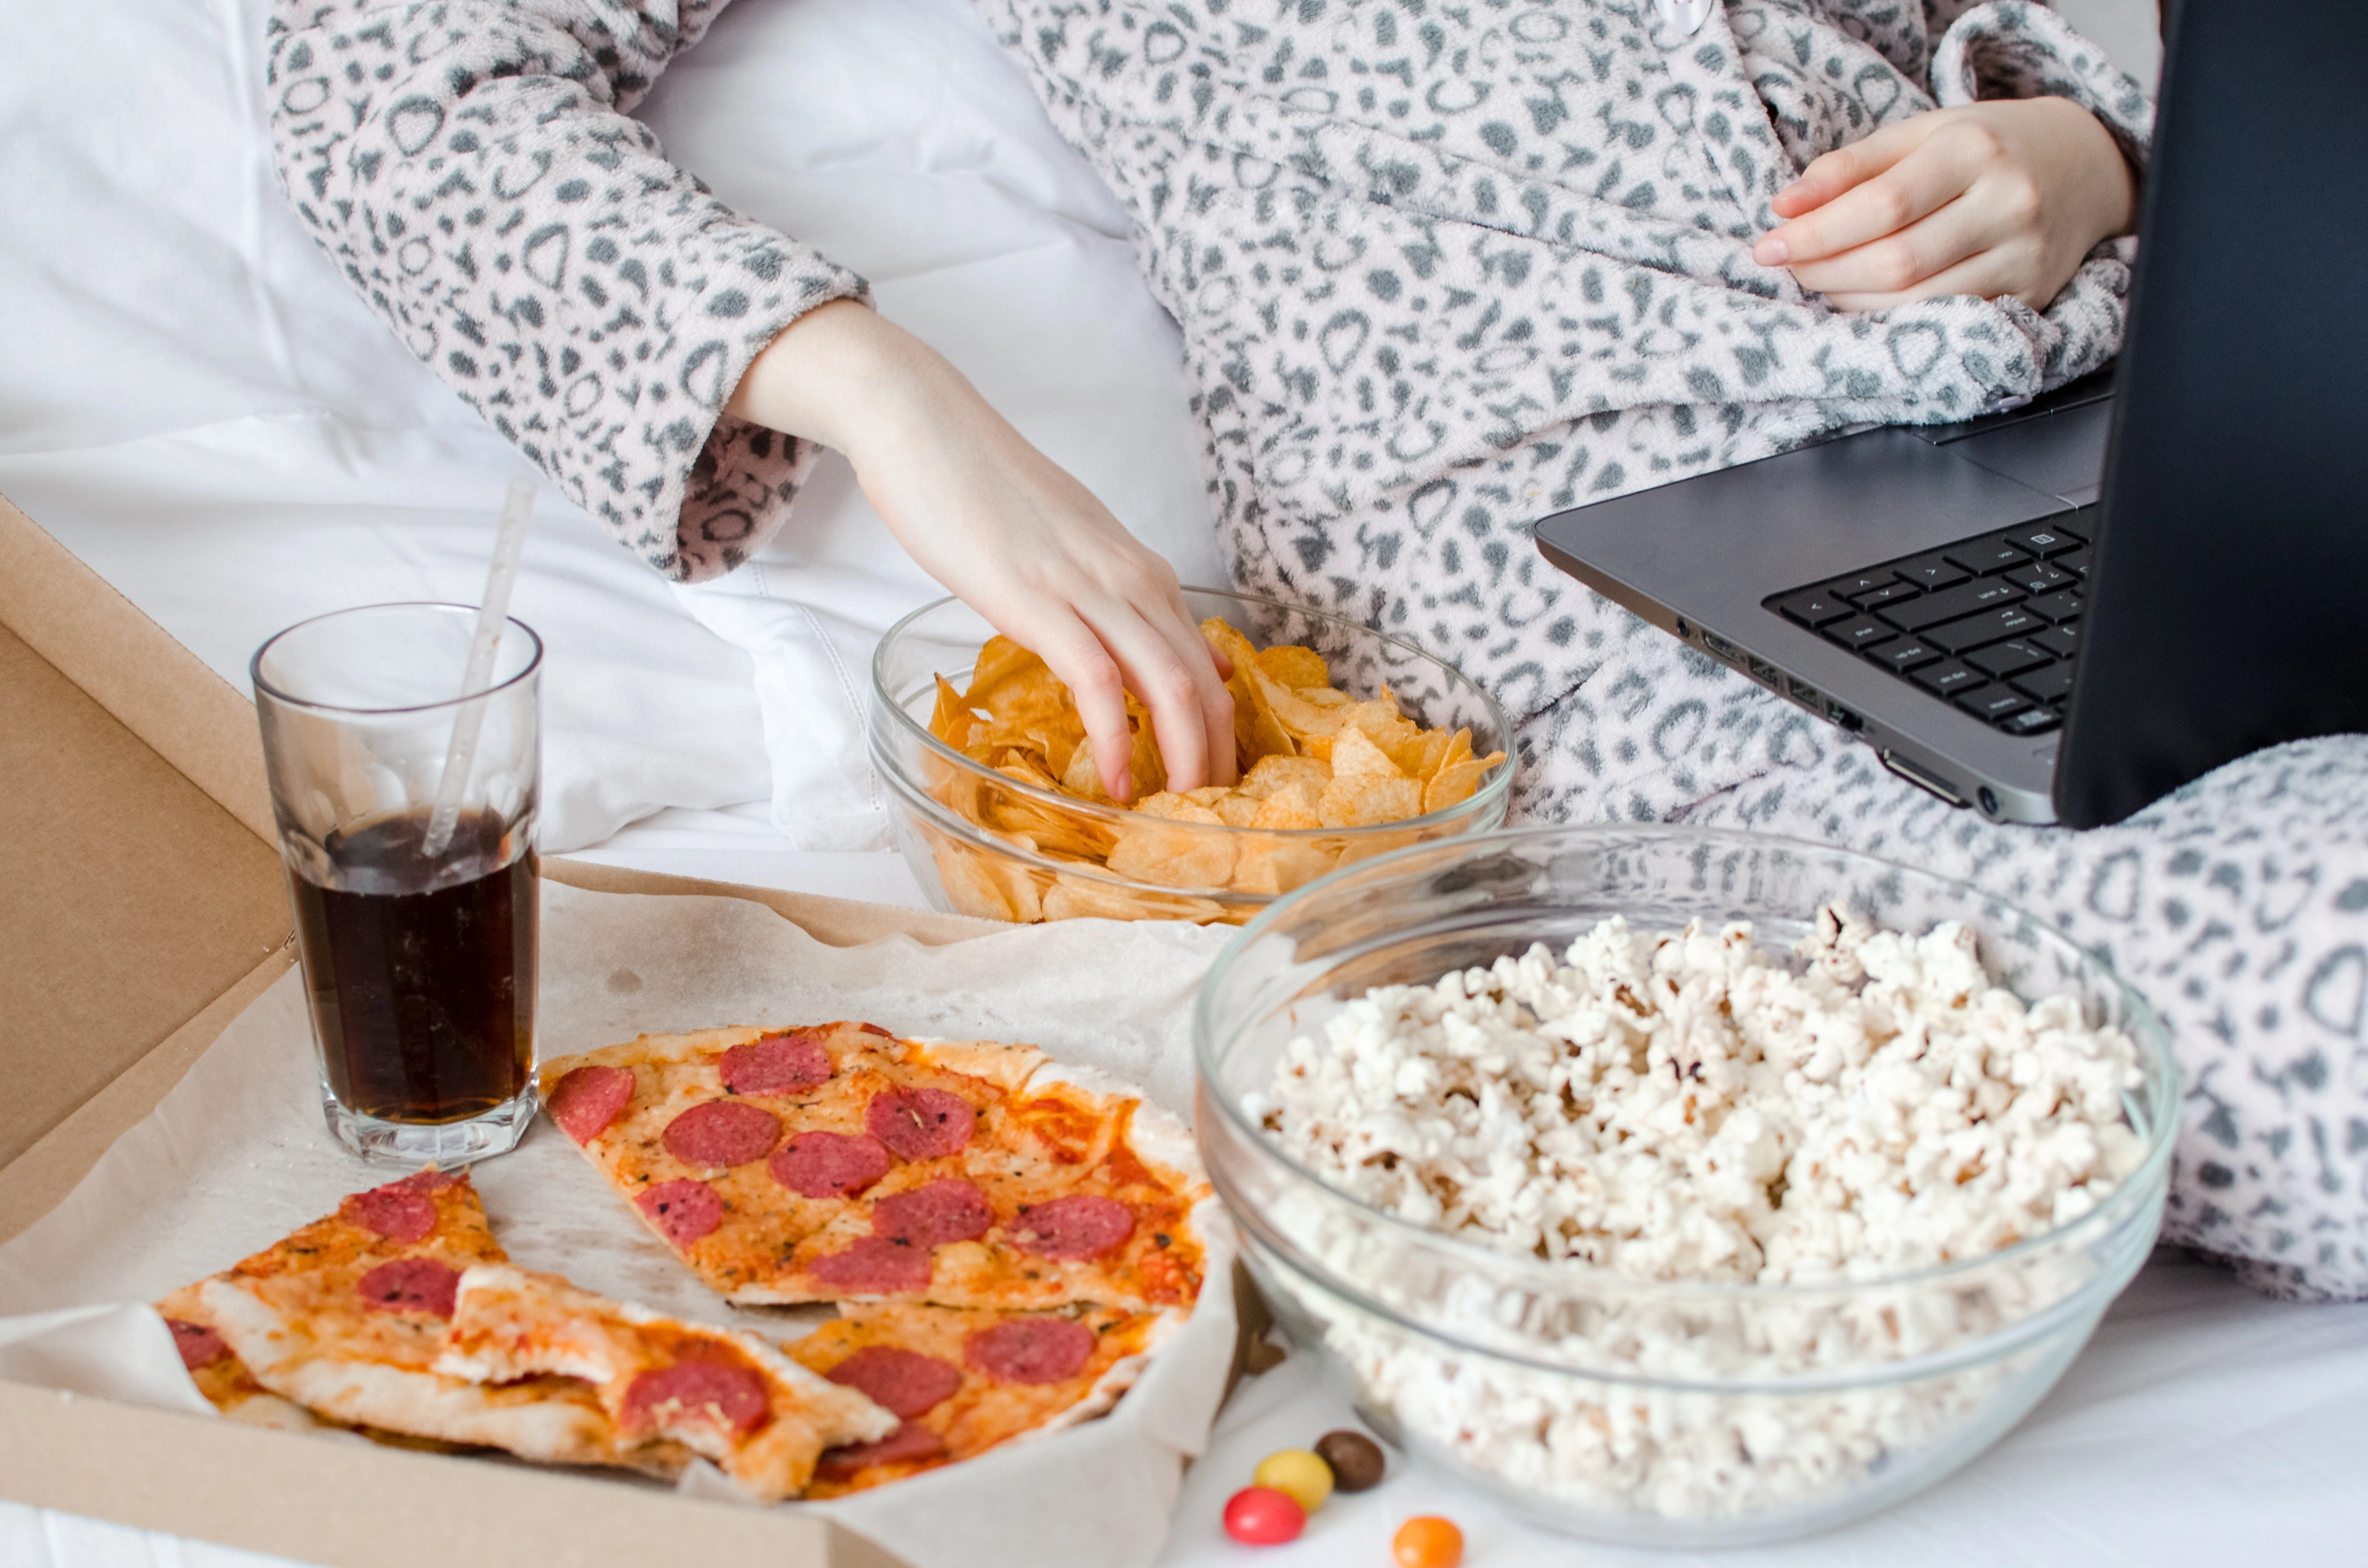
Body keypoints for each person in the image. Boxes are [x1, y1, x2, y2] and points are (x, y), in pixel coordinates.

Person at [260, 1, 2368, 1303]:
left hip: (2131, 430)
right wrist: (881, 394)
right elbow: (382, 69)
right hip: (1635, 633)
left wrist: (2081, 150)